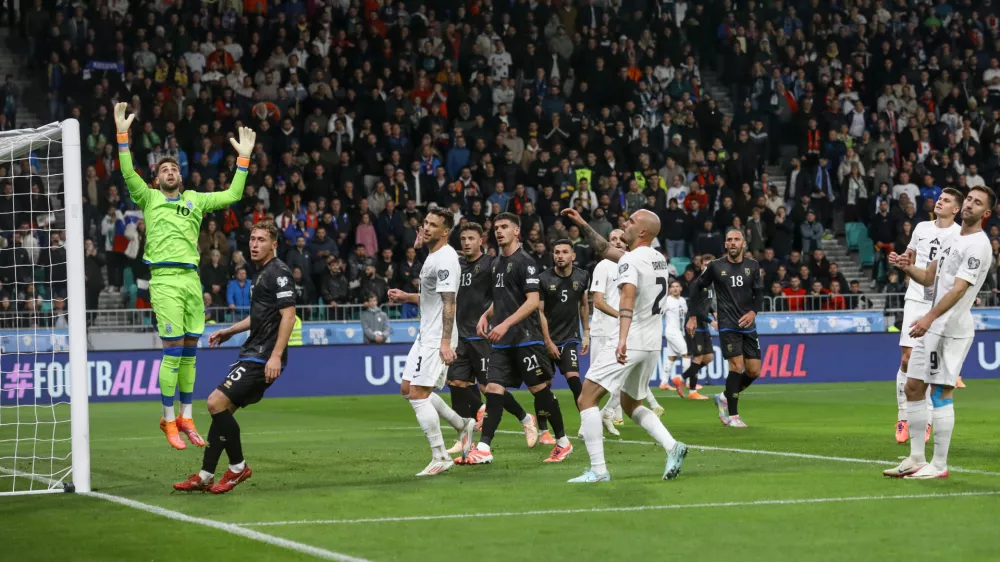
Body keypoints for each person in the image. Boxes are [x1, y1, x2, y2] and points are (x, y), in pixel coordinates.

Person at [115, 102, 254, 451]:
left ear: (181, 175)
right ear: (156, 178)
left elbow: (234, 194)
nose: (170, 171)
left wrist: (244, 159)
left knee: (191, 352)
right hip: (163, 280)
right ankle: (166, 418)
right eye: (164, 169)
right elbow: (127, 171)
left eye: (174, 167)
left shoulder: (194, 199)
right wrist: (121, 135)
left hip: (192, 280)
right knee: (173, 352)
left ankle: (186, 416)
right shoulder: (147, 197)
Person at [561, 208, 688, 483]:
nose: (624, 224)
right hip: (652, 343)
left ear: (642, 231)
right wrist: (583, 224)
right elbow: (607, 249)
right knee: (631, 403)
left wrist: (620, 339)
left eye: (630, 222)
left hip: (630, 341)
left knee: (586, 399)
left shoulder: (632, 262)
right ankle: (671, 446)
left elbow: (627, 298)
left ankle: (598, 470)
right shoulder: (657, 259)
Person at [172, 221, 295, 494]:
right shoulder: (260, 274)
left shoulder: (279, 272)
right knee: (222, 413)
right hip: (253, 351)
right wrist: (230, 330)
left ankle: (238, 467)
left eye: (261, 239)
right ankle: (205, 475)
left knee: (215, 403)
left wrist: (275, 356)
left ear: (274, 244)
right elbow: (260, 316)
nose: (254, 244)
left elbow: (289, 315)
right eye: (252, 238)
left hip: (263, 357)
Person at [884, 186, 996, 479]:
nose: (970, 204)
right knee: (912, 387)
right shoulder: (953, 238)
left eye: (976, 202)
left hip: (950, 329)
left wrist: (929, 317)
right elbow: (930, 276)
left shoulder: (979, 245)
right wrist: (908, 268)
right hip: (931, 324)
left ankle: (939, 465)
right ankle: (916, 458)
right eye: (969, 198)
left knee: (941, 393)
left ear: (986, 214)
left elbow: (959, 289)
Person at [462, 212, 573, 465]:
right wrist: (486, 315)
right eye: (496, 227)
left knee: (540, 391)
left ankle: (563, 442)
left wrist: (504, 323)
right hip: (502, 341)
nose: (499, 231)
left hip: (526, 339)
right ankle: (484, 448)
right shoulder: (497, 264)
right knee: (492, 389)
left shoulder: (526, 262)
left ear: (516, 232)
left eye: (504, 227)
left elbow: (533, 301)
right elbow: (503, 298)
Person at [387, 209, 476, 476]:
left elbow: (450, 303)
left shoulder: (447, 258)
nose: (425, 228)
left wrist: (446, 343)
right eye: (425, 223)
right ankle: (463, 425)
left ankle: (440, 455)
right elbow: (432, 298)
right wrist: (406, 296)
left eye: (433, 225)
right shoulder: (432, 256)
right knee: (407, 389)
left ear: (445, 231)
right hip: (426, 334)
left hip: (439, 337)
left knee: (418, 395)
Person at [443, 222, 534, 454]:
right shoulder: (458, 265)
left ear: (480, 241)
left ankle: (525, 418)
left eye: (471, 238)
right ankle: (464, 436)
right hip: (461, 335)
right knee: (455, 382)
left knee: (488, 387)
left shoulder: (492, 264)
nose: (466, 243)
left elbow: (502, 295)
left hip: (482, 336)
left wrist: (490, 317)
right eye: (463, 239)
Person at [893, 189, 962, 444]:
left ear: (956, 209)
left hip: (941, 304)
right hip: (916, 297)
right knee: (907, 358)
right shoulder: (921, 227)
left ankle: (927, 421)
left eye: (945, 201)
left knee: (934, 365)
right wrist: (902, 261)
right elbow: (909, 257)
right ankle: (903, 417)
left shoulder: (959, 234)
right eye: (939, 199)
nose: (939, 202)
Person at [686, 229, 764, 428]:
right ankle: (733, 415)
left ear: (743, 244)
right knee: (736, 367)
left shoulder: (753, 266)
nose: (732, 243)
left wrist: (753, 313)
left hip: (748, 324)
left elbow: (759, 294)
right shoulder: (715, 266)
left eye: (736, 239)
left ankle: (723, 397)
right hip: (728, 325)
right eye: (729, 239)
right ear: (726, 245)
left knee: (754, 371)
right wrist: (693, 315)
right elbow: (696, 287)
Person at [537, 239, 591, 444]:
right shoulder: (543, 279)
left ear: (573, 256)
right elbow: (539, 312)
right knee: (543, 386)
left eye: (564, 252)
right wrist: (547, 341)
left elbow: (584, 305)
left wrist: (586, 333)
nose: (560, 255)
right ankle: (543, 430)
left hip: (569, 338)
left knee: (574, 380)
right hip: (544, 339)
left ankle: (587, 424)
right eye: (557, 252)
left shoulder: (582, 276)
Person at [671, 255, 715, 395]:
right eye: (706, 264)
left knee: (708, 357)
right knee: (698, 357)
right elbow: (695, 309)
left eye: (711, 265)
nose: (708, 267)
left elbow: (706, 304)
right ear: (701, 266)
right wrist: (711, 321)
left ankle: (682, 378)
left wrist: (713, 312)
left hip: (703, 324)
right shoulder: (698, 283)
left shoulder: (711, 283)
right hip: (694, 324)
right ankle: (692, 390)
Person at [666, 280, 708, 400]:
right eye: (672, 286)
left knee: (672, 356)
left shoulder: (682, 301)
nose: (674, 288)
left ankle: (664, 382)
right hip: (671, 331)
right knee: (686, 353)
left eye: (677, 286)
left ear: (681, 288)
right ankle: (687, 381)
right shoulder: (667, 301)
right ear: (669, 289)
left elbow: (686, 315)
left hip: (680, 332)